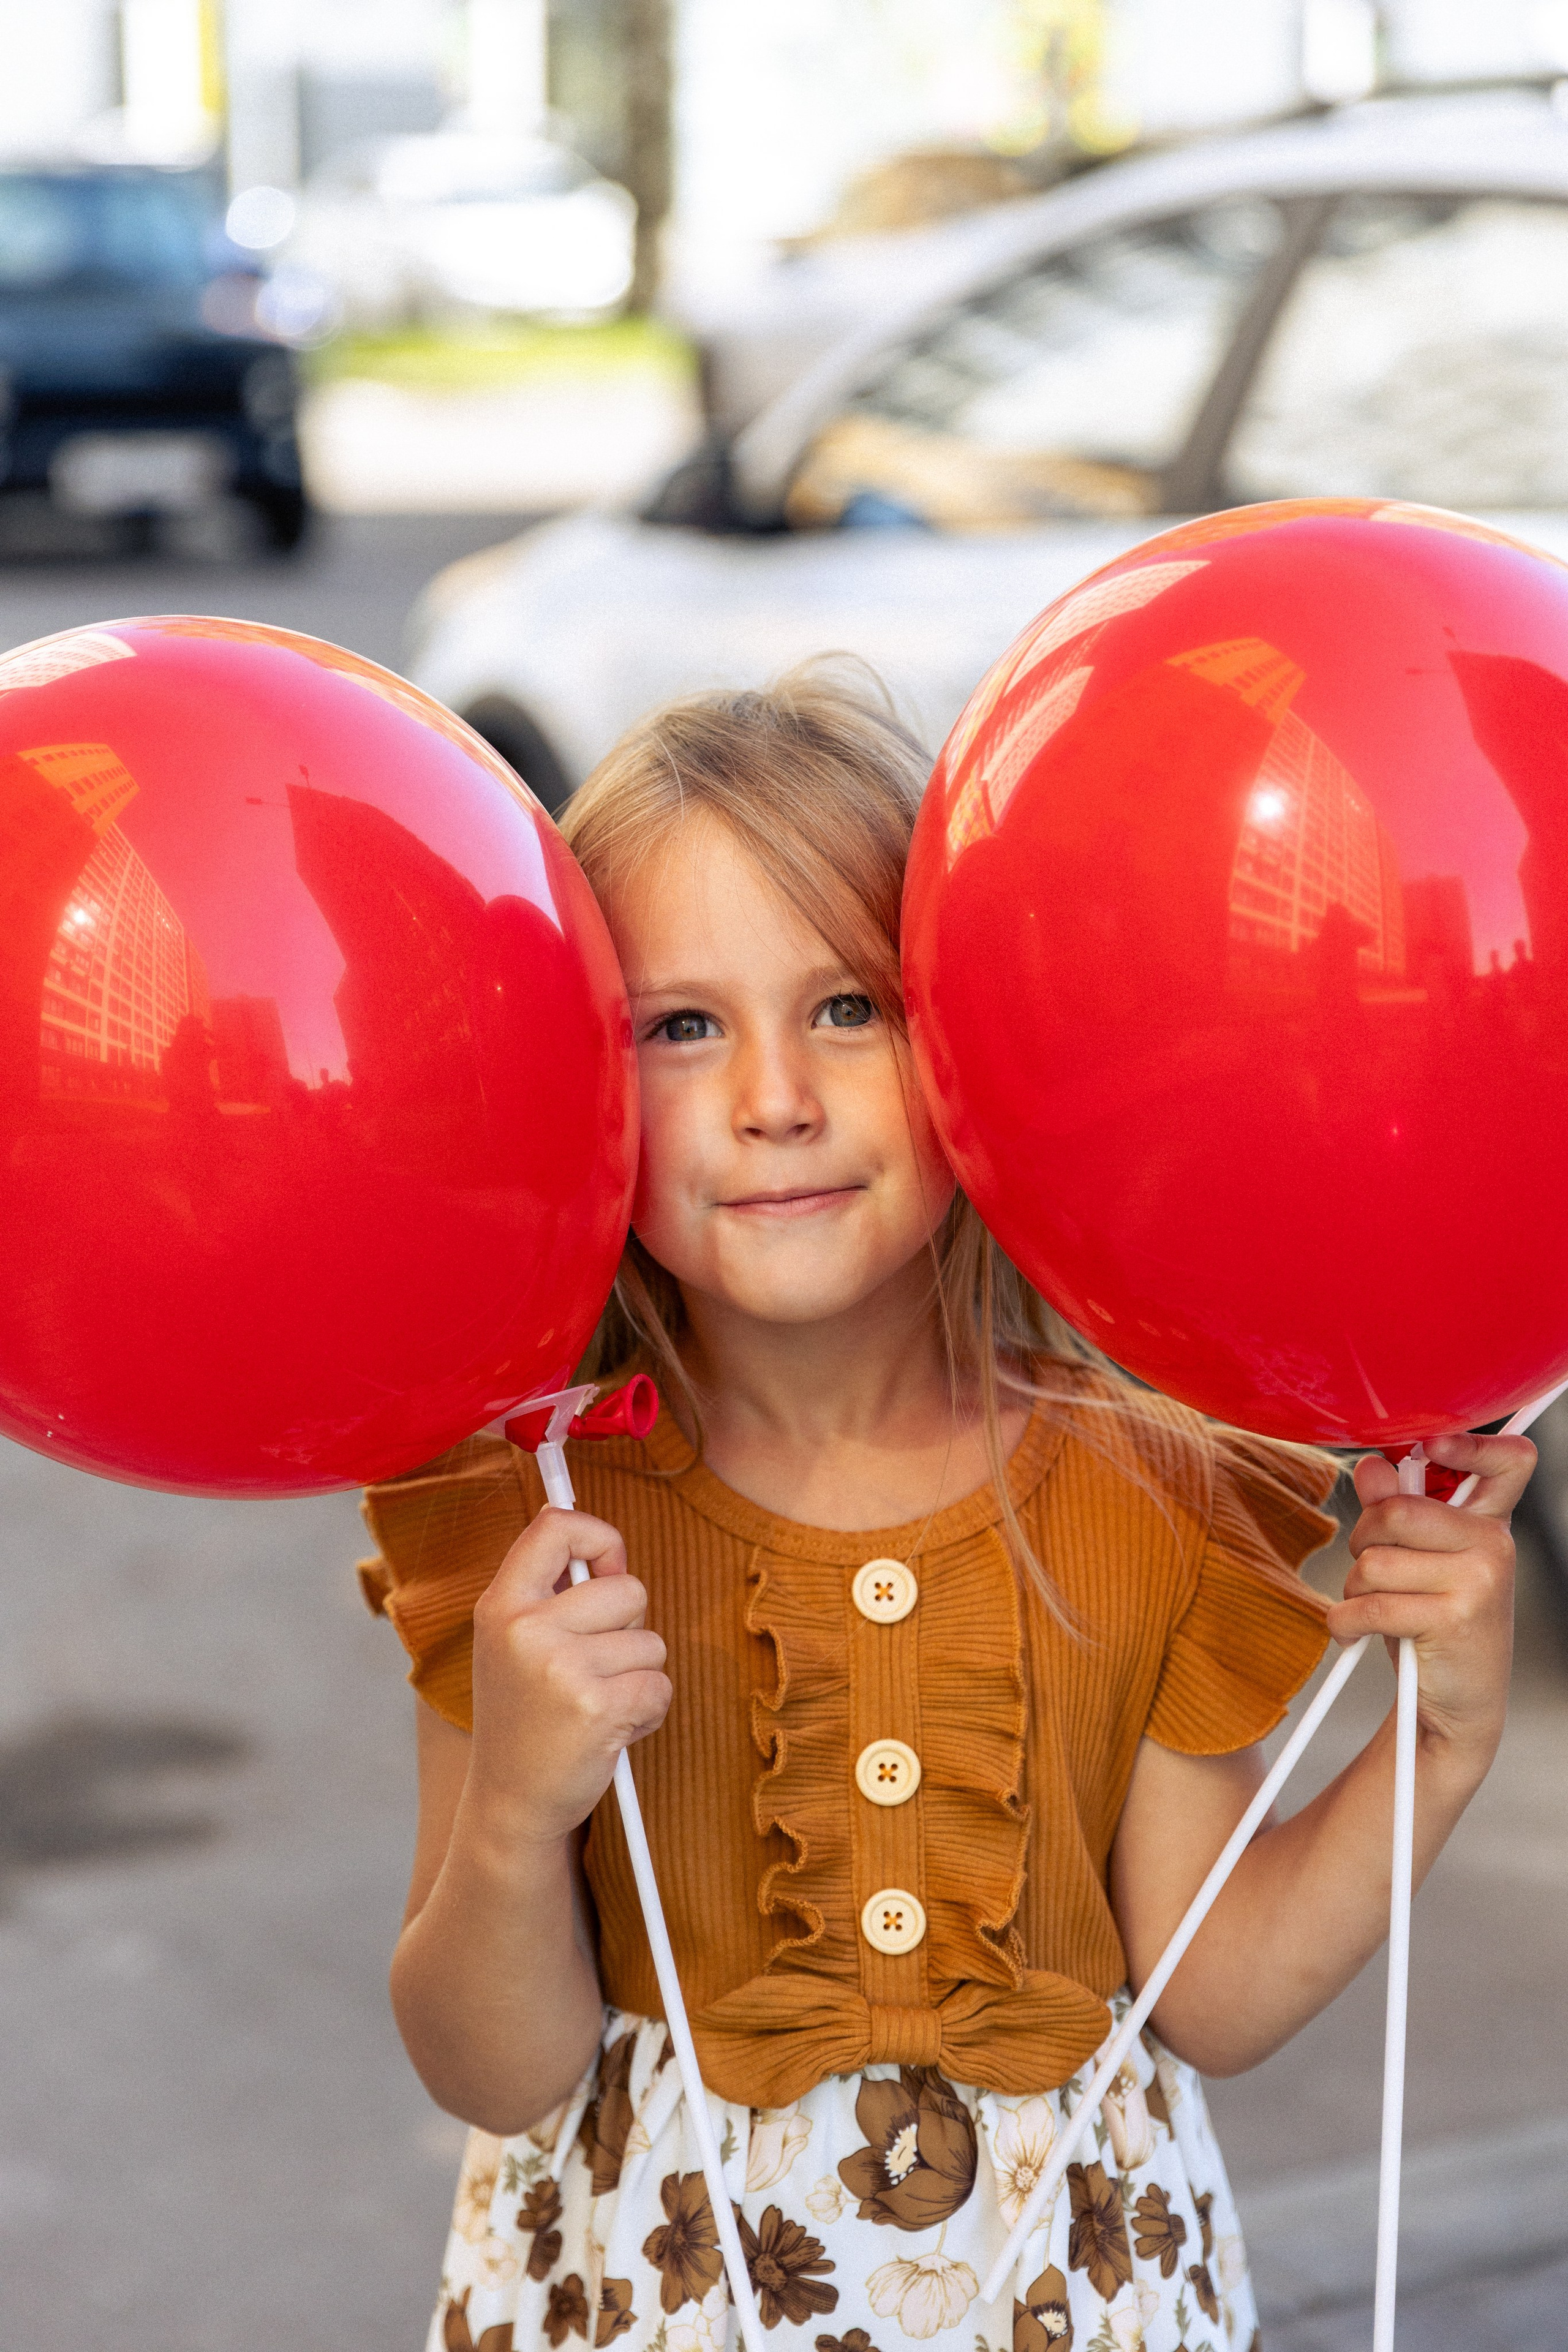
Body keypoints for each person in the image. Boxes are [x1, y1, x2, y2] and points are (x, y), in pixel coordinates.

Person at [358, 663, 1528, 2352]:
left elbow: (1216, 1988)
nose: (776, 1096)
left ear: (978, 1030)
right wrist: (522, 1810)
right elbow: (495, 2062)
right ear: (580, 1080)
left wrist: (1439, 1749)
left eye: (848, 1007)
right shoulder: (532, 1520)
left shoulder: (1149, 1491)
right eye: (682, 1026)